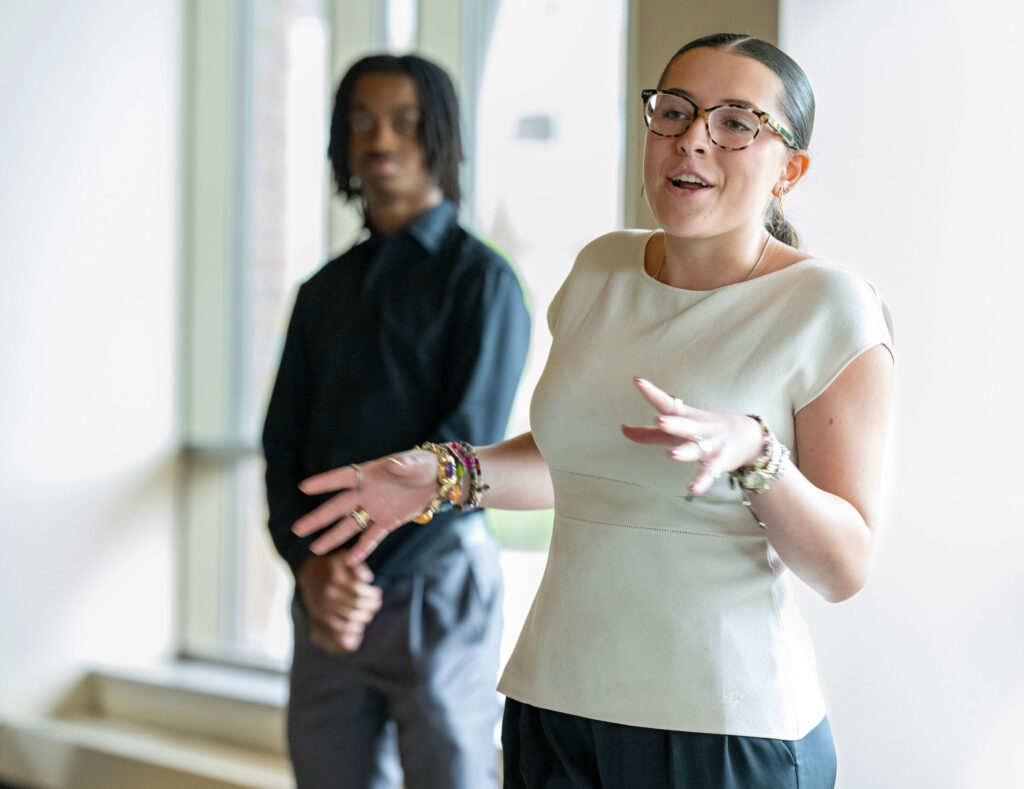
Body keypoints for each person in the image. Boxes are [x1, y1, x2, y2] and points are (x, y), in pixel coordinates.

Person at [289, 33, 895, 789]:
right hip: (555, 699)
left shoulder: (830, 304)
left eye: (737, 123)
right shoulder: (601, 267)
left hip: (723, 720)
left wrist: (756, 452)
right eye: (674, 112)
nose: (693, 139)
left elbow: (843, 567)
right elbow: (575, 461)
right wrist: (446, 475)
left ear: (789, 170)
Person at [262, 53, 531, 789]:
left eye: (404, 122)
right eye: (361, 122)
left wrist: (354, 573)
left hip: (436, 582)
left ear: (439, 135)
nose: (380, 139)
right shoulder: (322, 292)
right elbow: (281, 446)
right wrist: (312, 570)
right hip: (327, 591)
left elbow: (464, 455)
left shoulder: (483, 283)